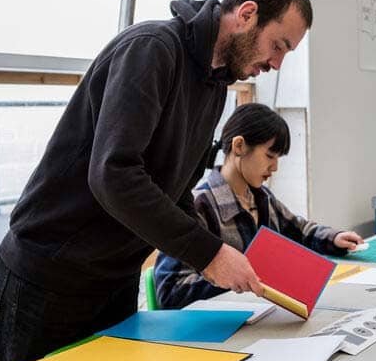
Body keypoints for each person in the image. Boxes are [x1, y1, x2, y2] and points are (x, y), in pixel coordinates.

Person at [0, 0, 312, 361]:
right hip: (52, 279)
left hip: (113, 282)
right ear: (247, 14)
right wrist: (209, 253)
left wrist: (218, 253)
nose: (277, 64)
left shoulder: (214, 85)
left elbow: (174, 192)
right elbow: (114, 174)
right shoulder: (151, 49)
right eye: (277, 45)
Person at [154, 103, 363, 309]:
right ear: (239, 146)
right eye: (269, 156)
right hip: (218, 330)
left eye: (278, 158)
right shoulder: (198, 206)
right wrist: (236, 278)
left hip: (260, 318)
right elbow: (171, 291)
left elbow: (299, 230)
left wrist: (333, 238)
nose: (275, 167)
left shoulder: (261, 198)